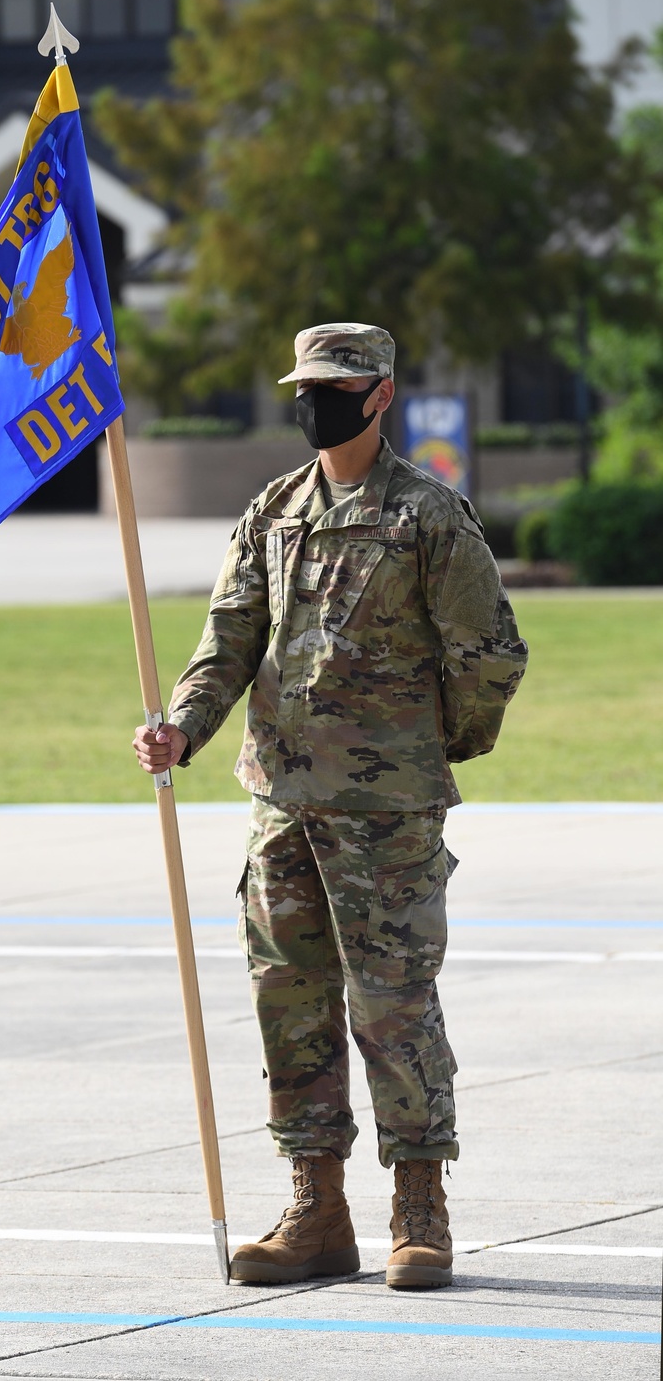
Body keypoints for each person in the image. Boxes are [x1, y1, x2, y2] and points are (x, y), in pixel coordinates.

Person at [132, 322, 528, 1290]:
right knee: (290, 1001)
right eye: (306, 385)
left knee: (392, 1007)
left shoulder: (429, 516)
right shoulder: (273, 511)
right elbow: (227, 639)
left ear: (380, 394)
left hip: (387, 813)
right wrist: (183, 724)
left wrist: (434, 745)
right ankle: (317, 1208)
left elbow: (491, 654)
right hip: (282, 806)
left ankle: (419, 1209)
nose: (317, 401)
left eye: (337, 386)